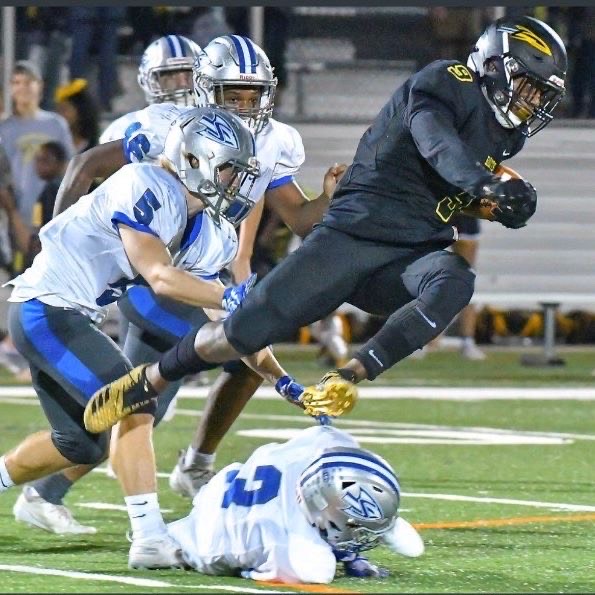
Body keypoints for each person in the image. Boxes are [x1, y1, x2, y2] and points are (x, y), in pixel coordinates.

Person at [85, 17, 567, 432]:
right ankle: (150, 379)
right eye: (528, 88)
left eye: (539, 95)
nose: (530, 104)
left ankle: (349, 375)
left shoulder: (504, 135)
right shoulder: (446, 81)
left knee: (455, 280)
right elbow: (435, 142)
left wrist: (502, 205)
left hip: (409, 254)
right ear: (493, 68)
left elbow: (449, 187)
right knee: (243, 333)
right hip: (348, 240)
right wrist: (483, 183)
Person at [46, 34, 345, 505]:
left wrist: (330, 198)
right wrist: (61, 243)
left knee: (148, 397)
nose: (245, 107)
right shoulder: (169, 125)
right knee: (160, 388)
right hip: (153, 274)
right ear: (207, 91)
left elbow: (300, 219)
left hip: (202, 273)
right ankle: (166, 493)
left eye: (254, 96)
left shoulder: (276, 140)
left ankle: (52, 489)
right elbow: (86, 164)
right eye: (233, 96)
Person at [0, 106, 282, 568]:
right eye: (231, 168)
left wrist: (280, 377)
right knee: (134, 400)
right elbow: (161, 277)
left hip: (68, 315)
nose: (237, 183)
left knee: (80, 443)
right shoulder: (147, 184)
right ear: (196, 159)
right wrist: (230, 296)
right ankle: (150, 538)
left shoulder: (204, 226)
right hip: (45, 308)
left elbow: (226, 316)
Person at [166, 424, 424, 583]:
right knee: (177, 550)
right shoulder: (302, 553)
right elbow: (314, 571)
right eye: (355, 525)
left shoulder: (320, 463)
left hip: (235, 481)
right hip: (214, 528)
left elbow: (324, 435)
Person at [0, 61, 75, 238]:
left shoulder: (56, 124)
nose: (22, 88)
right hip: (16, 214)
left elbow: (70, 166)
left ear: (39, 86)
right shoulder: (4, 129)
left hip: (55, 211)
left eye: (28, 82)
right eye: (16, 83)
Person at [54, 79, 101, 153]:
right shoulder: (53, 145)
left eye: (64, 109)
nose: (59, 115)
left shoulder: (98, 147)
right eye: (57, 110)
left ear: (80, 111)